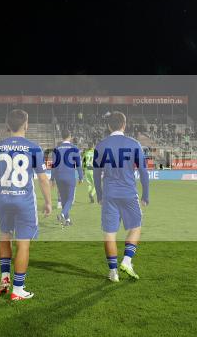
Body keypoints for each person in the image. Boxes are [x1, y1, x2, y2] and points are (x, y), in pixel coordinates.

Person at [0, 109, 51, 300]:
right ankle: (18, 289)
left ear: (7, 126)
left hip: (4, 200)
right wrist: (48, 202)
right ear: (26, 125)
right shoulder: (34, 148)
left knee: (5, 236)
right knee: (23, 244)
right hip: (24, 202)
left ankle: (4, 279)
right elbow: (43, 179)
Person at [93, 111, 149, 282]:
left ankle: (113, 272)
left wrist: (99, 194)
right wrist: (145, 195)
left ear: (109, 126)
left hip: (109, 194)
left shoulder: (101, 145)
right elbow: (143, 172)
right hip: (129, 193)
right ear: (124, 125)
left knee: (109, 234)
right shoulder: (134, 144)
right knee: (136, 227)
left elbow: (96, 174)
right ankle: (127, 260)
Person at [51, 128, 84, 226]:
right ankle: (62, 214)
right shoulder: (74, 148)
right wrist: (81, 177)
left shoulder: (56, 149)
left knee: (64, 199)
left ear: (62, 137)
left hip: (59, 177)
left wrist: (52, 178)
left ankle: (68, 220)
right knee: (70, 199)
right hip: (69, 176)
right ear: (70, 137)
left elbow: (54, 165)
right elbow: (78, 165)